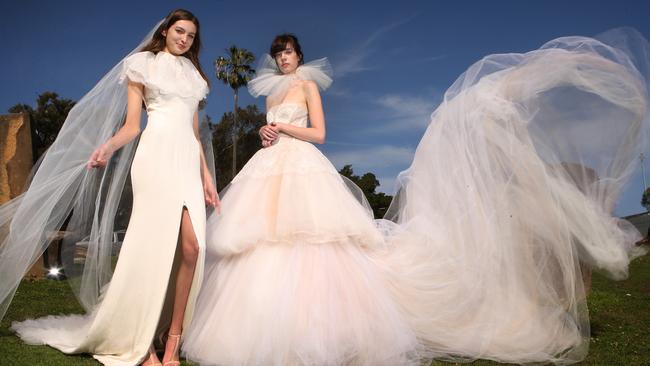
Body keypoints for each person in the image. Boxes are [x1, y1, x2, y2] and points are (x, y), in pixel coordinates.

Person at [185, 30, 649, 365]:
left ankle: (327, 328)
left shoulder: (306, 86)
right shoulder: (269, 95)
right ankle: (263, 325)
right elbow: (276, 129)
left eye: (289, 53)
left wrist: (285, 126)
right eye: (279, 54)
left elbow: (319, 133)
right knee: (261, 238)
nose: (284, 59)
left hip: (302, 162)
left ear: (299, 57)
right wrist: (267, 132)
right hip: (272, 164)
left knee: (315, 236)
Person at [5, 9, 218, 366]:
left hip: (185, 163)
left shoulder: (195, 78)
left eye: (191, 35)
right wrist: (106, 147)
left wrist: (207, 178)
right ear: (165, 31)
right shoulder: (141, 65)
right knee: (151, 250)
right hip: (154, 159)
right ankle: (143, 342)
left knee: (192, 248)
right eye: (179, 31)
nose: (184, 39)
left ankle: (173, 335)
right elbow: (133, 125)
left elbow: (195, 135)